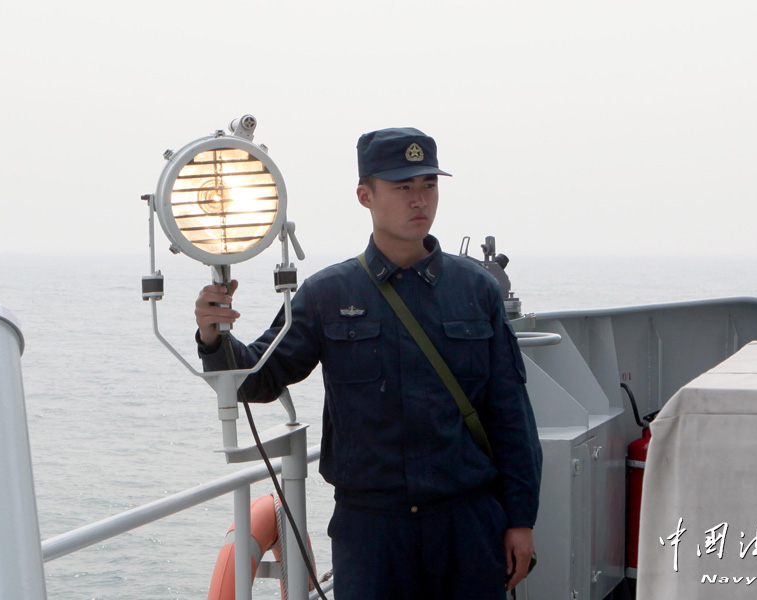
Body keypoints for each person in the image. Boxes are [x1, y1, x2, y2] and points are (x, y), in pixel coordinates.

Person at [194, 127, 541, 599]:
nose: (419, 200)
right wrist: (214, 335)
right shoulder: (327, 294)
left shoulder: (476, 291)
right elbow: (260, 376)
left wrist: (520, 520)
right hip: (372, 529)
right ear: (365, 195)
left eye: (429, 185)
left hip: (466, 523)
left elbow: (511, 415)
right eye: (403, 187)